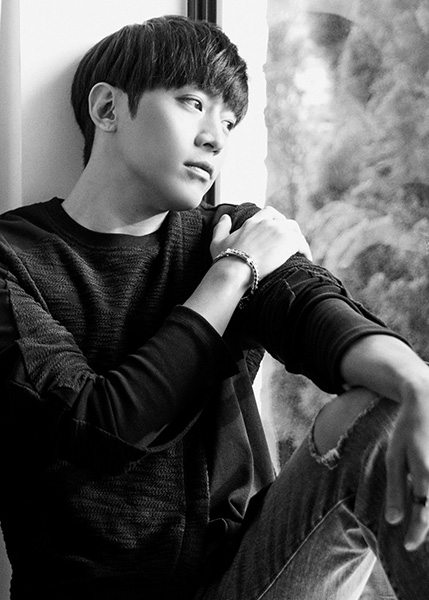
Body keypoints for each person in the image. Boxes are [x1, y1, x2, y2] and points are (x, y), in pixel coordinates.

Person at [0, 14, 428, 600]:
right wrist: (230, 274)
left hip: (243, 580)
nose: (216, 138)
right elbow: (96, 424)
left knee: (383, 413)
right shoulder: (13, 257)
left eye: (229, 121)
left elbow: (313, 311)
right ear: (107, 109)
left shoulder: (229, 230)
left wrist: (416, 381)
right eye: (193, 103)